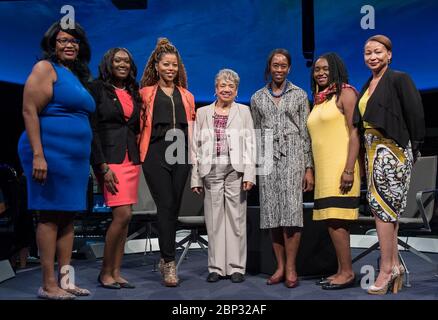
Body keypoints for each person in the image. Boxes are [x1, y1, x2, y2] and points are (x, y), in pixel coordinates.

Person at [17, 21, 95, 299]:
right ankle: (48, 284)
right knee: (50, 217)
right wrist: (38, 154)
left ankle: (65, 281)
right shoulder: (45, 69)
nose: (69, 45)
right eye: (63, 40)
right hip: (48, 154)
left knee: (67, 218)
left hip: (73, 161)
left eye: (74, 41)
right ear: (52, 45)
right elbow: (29, 111)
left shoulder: (73, 75)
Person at [353, 35, 425, 294]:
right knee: (380, 208)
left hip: (392, 150)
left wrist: (412, 150)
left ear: (389, 55)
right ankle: (394, 266)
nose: (372, 57)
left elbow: (415, 114)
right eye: (368, 52)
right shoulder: (367, 84)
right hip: (373, 151)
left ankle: (386, 270)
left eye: (378, 52)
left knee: (384, 210)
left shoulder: (398, 79)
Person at [250, 48, 314, 288]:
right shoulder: (257, 98)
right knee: (271, 215)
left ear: (289, 68)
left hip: (293, 157)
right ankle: (279, 266)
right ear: (270, 68)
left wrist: (309, 168)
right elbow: (255, 133)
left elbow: (306, 134)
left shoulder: (299, 94)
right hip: (267, 159)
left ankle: (291, 267)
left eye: (283, 66)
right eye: (275, 65)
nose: (279, 70)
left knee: (291, 215)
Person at [138, 38, 196, 287]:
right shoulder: (145, 94)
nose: (170, 69)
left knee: (173, 208)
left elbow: (192, 128)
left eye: (174, 65)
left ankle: (164, 256)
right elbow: (137, 128)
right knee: (166, 204)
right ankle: (170, 264)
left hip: (181, 153)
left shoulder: (187, 95)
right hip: (155, 153)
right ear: (156, 66)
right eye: (166, 64)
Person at [191, 69, 256, 283]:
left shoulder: (244, 111)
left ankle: (236, 267)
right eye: (222, 85)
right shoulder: (202, 113)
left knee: (236, 220)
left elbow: (250, 144)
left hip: (235, 171)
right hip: (211, 171)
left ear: (236, 91)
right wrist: (195, 178)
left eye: (231, 86)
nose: (226, 89)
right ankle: (216, 268)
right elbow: (195, 147)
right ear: (216, 89)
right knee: (214, 220)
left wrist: (249, 174)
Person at [89, 48, 142, 289]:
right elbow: (93, 129)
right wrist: (101, 165)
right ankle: (104, 272)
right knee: (122, 215)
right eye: (118, 60)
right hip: (110, 160)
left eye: (127, 61)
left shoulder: (133, 91)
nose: (122, 64)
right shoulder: (98, 88)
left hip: (131, 159)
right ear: (109, 63)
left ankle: (117, 272)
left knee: (126, 219)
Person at [307, 53, 360, 290]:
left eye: (325, 69)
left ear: (336, 69)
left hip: (341, 167)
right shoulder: (320, 99)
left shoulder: (346, 93)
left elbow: (355, 134)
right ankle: (341, 270)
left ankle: (347, 272)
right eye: (317, 69)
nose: (320, 73)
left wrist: (349, 169)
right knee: (331, 220)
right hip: (325, 170)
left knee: (338, 221)